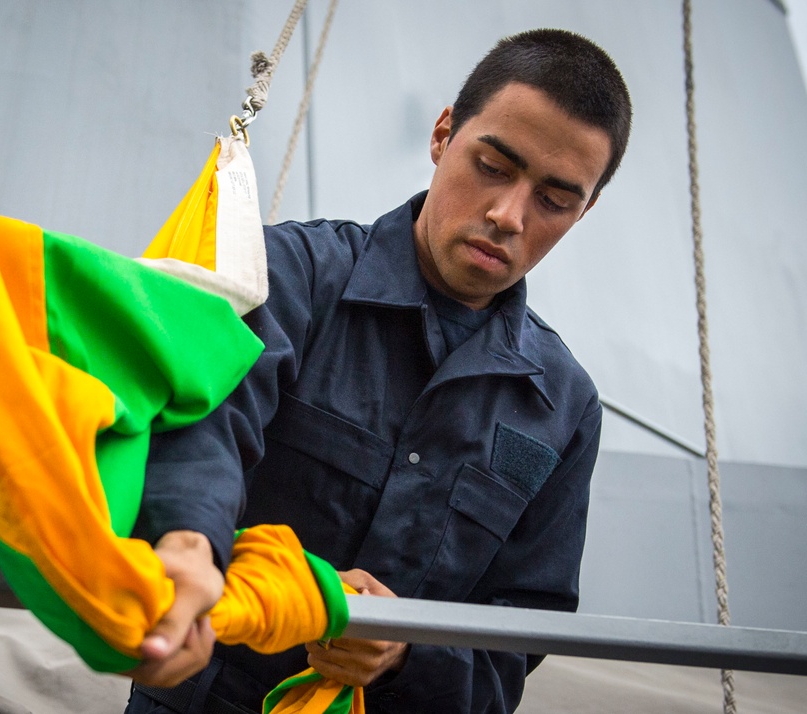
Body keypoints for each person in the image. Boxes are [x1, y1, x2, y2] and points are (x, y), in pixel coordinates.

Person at [126, 27, 632, 713]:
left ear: (586, 209)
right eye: (492, 165)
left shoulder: (565, 410)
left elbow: (515, 643)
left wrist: (403, 653)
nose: (507, 215)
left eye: (554, 200)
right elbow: (205, 429)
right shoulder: (286, 278)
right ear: (443, 134)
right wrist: (187, 544)